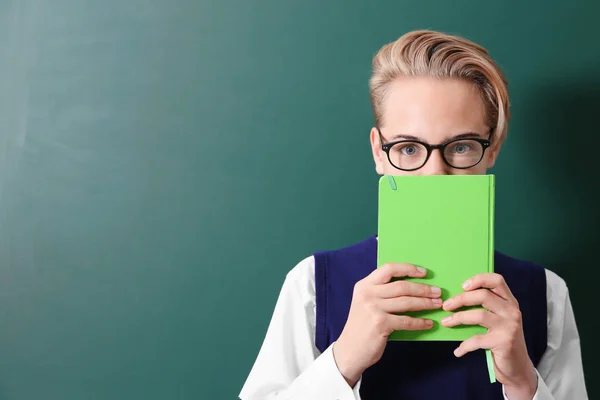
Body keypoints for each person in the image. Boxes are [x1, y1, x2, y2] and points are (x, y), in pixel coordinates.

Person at [238, 30, 587, 400]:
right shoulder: (312, 285)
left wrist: (522, 384)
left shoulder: (546, 294)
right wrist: (342, 362)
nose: (434, 173)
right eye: (407, 149)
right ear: (378, 152)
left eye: (462, 146)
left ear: (492, 149)